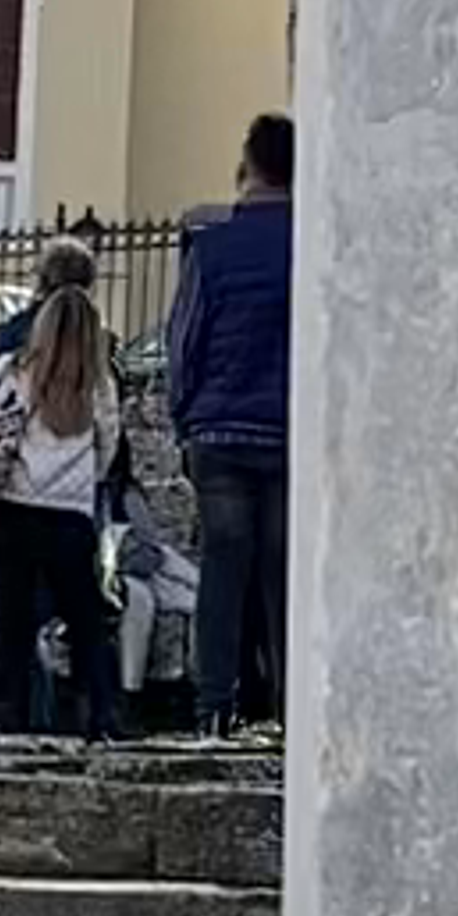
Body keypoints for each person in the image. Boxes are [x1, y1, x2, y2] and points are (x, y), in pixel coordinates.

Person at [0, 270, 124, 740]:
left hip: (14, 508)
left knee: (15, 623)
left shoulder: (16, 372)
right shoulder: (98, 385)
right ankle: (101, 715)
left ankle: (16, 718)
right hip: (70, 516)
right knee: (86, 621)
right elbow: (107, 450)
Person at [163, 111, 294, 733]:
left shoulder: (210, 248)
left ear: (248, 166)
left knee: (221, 569)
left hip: (218, 431)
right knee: (282, 575)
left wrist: (184, 417)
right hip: (286, 431)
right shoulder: (313, 242)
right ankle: (289, 707)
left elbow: (183, 341)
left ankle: (214, 705)